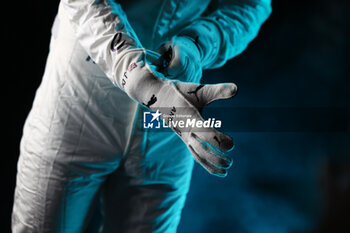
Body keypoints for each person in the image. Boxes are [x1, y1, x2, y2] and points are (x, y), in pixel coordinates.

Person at [11, 0, 271, 232]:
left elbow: (252, 4)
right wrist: (133, 70)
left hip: (172, 114)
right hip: (78, 104)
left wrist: (199, 42)